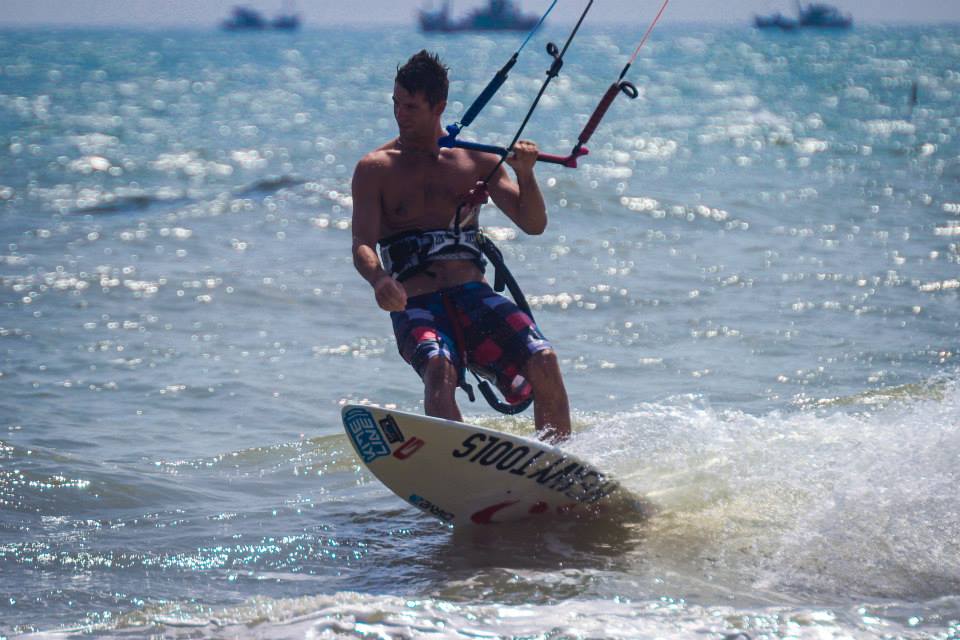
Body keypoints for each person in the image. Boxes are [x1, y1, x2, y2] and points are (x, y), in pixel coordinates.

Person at [351, 50, 571, 442]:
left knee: (544, 358)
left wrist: (526, 174)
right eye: (396, 103)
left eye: (411, 107)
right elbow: (362, 244)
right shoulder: (376, 168)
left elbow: (533, 223)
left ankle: (559, 459)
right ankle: (456, 459)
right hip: (416, 302)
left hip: (474, 295)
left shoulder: (476, 160)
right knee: (439, 368)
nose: (400, 114)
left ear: (439, 107)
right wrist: (379, 279)